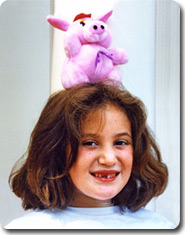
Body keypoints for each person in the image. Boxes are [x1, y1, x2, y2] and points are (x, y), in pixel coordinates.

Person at [5, 82, 175, 229]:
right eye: (90, 143)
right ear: (55, 150)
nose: (108, 159)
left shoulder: (159, 227)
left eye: (121, 143)